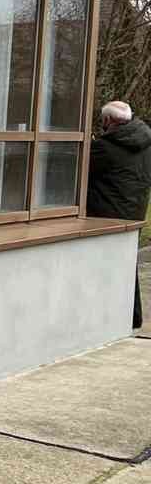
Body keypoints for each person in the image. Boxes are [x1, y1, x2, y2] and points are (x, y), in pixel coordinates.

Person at [86, 99, 151, 330]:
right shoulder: (145, 142)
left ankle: (108, 317)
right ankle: (132, 317)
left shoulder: (106, 147)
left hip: (106, 213)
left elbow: (79, 168)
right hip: (134, 211)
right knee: (127, 265)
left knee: (103, 267)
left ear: (107, 121)